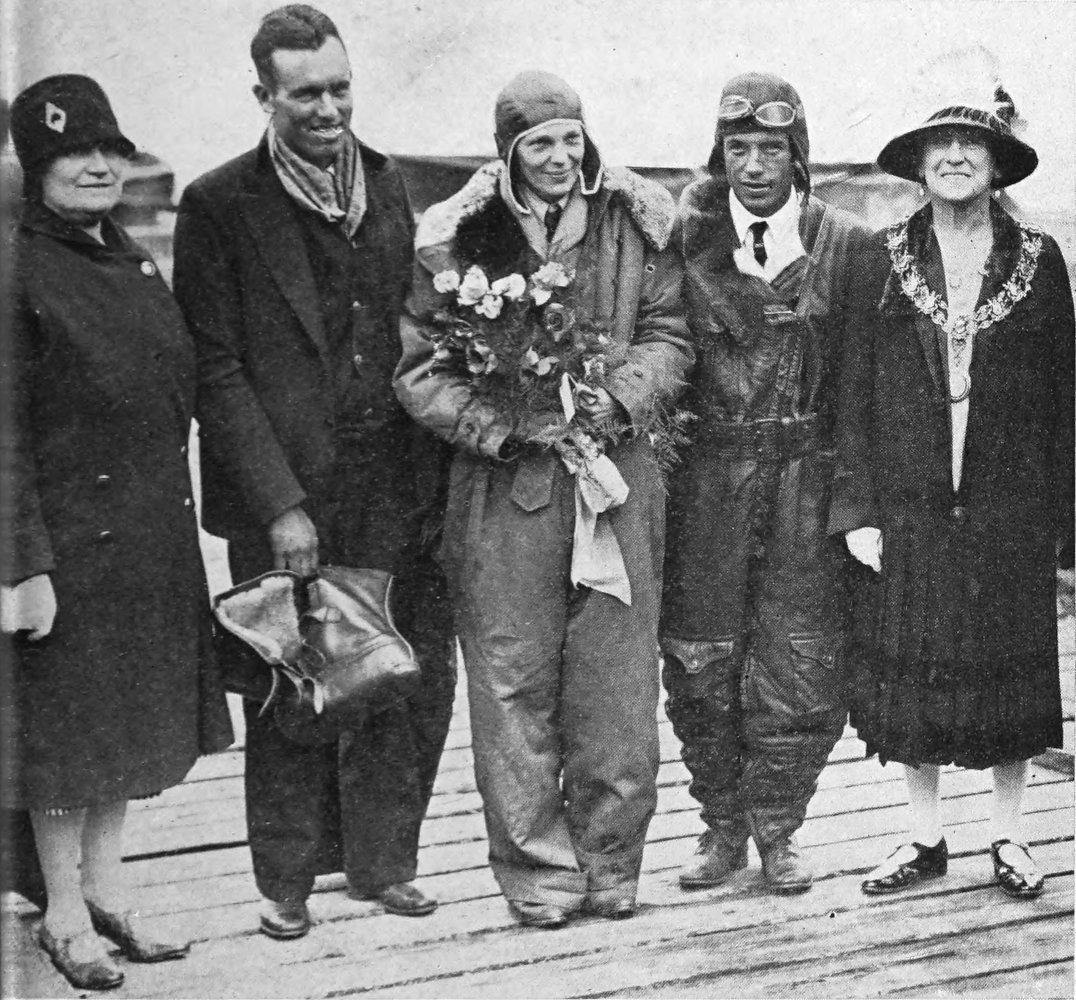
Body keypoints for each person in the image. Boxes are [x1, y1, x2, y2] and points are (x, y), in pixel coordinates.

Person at [171, 5, 455, 940]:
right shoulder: (219, 206)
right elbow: (216, 368)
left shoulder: (392, 183)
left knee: (395, 674)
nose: (327, 109)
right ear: (264, 96)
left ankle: (384, 865)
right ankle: (285, 883)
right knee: (293, 685)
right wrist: (281, 505)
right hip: (289, 493)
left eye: (339, 88)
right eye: (305, 95)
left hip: (397, 480)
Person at [395, 70, 692, 928]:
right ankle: (538, 875)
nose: (559, 158)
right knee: (511, 682)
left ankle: (610, 865)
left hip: (616, 484)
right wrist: (505, 422)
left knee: (617, 684)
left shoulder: (635, 224)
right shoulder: (459, 237)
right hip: (506, 491)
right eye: (539, 144)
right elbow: (422, 372)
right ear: (508, 153)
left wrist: (622, 393)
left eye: (570, 138)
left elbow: (671, 332)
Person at [1, 74, 233, 991]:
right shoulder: (18, 269)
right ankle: (61, 912)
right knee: (64, 739)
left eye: (107, 149)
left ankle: (105, 895)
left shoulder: (125, 254)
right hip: (65, 547)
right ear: (34, 167)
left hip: (144, 535)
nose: (96, 166)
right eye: (69, 154)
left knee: (122, 730)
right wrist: (22, 565)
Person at [830, 87, 1074, 897]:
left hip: (1011, 503)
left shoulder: (1040, 261)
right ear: (919, 163)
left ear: (998, 162)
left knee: (1016, 668)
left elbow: (1064, 398)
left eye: (974, 144)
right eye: (940, 145)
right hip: (910, 503)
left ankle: (1008, 837)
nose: (957, 157)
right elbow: (853, 393)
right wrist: (858, 511)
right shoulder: (880, 255)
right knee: (912, 667)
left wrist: (1064, 522)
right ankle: (923, 835)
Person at [660, 72, 872, 895]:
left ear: (799, 154)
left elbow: (865, 384)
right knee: (701, 657)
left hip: (807, 483)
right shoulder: (683, 239)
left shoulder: (845, 243)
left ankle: (781, 829)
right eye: (738, 148)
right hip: (706, 483)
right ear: (718, 156)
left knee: (802, 659)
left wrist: (857, 503)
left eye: (772, 148)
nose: (755, 166)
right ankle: (720, 827)